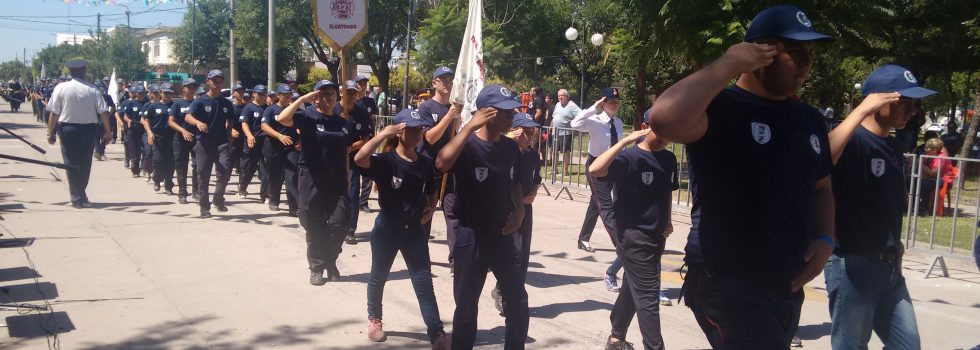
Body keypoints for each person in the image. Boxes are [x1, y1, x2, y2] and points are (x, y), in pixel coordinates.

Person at [651, 5, 835, 348]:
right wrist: (728, 63)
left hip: (785, 282)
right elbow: (662, 119)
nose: (806, 62)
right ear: (760, 53)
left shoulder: (808, 119)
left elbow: (821, 187)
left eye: (810, 53)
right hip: (727, 281)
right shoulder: (722, 106)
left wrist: (826, 240)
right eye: (794, 52)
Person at [827, 64, 933, 350]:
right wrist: (860, 111)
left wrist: (895, 244)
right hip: (852, 262)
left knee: (907, 345)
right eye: (904, 103)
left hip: (887, 265)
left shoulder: (895, 148)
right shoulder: (853, 140)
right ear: (877, 100)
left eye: (914, 105)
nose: (911, 112)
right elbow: (821, 160)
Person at [435, 84, 528, 349]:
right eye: (507, 113)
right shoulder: (467, 145)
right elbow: (441, 163)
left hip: (501, 235)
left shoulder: (510, 148)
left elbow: (515, 183)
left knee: (518, 301)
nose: (513, 118)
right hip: (470, 236)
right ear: (488, 113)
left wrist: (519, 209)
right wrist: (468, 128)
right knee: (466, 307)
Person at [353, 109, 451, 349]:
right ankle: (374, 320)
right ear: (399, 132)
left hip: (414, 232)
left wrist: (431, 207)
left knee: (423, 282)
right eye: (413, 129)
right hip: (387, 229)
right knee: (378, 277)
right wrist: (381, 134)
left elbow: (431, 190)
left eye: (421, 129)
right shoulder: (386, 161)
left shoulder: (425, 163)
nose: (419, 134)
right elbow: (359, 159)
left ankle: (436, 333)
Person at [590, 124, 677, 350]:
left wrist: (667, 220)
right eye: (662, 131)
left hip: (657, 235)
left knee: (632, 286)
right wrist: (624, 142)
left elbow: (666, 191)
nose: (666, 137)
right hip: (633, 236)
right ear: (645, 128)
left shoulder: (669, 158)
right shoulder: (628, 157)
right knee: (648, 298)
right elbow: (595, 169)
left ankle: (616, 338)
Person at [276, 80, 352, 285]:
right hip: (312, 177)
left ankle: (330, 259)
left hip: (336, 179)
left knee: (341, 222)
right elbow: (283, 119)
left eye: (333, 94)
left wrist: (347, 177)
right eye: (324, 94)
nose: (329, 98)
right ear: (316, 97)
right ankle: (317, 267)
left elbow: (345, 153)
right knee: (315, 223)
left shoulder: (342, 122)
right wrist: (302, 99)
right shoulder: (307, 116)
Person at [491, 113, 543, 317]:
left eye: (533, 133)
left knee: (522, 254)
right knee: (508, 254)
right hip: (508, 209)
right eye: (527, 133)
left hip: (526, 210)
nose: (531, 138)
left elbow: (536, 176)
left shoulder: (531, 154)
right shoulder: (505, 152)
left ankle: (510, 292)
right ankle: (505, 295)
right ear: (517, 131)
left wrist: (535, 191)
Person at [44, 60, 113, 208]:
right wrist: (107, 131)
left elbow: (54, 113)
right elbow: (103, 112)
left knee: (70, 163)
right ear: (84, 70)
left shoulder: (61, 88)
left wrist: (50, 132)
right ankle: (80, 194)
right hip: (87, 130)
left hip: (67, 130)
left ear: (70, 71)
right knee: (85, 163)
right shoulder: (92, 89)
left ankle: (77, 196)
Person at [571, 89, 624, 267]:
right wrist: (593, 108)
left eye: (617, 102)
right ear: (603, 103)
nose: (615, 105)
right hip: (596, 166)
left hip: (614, 164)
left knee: (597, 203)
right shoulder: (594, 120)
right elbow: (574, 124)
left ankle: (583, 238)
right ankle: (621, 244)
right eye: (611, 102)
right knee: (606, 206)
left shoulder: (619, 123)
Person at [183, 70, 238, 218]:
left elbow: (231, 120)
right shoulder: (200, 101)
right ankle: (204, 206)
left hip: (222, 143)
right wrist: (198, 122)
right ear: (208, 81)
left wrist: (229, 136)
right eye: (214, 80)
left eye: (220, 80)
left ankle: (218, 198)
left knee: (225, 171)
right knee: (203, 174)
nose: (217, 83)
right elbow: (188, 116)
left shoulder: (226, 103)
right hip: (204, 143)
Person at [342, 80, 375, 244]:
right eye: (349, 92)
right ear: (342, 93)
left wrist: (350, 148)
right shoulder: (333, 109)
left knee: (352, 194)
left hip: (351, 158)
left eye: (354, 93)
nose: (352, 96)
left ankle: (350, 230)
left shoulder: (361, 111)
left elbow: (365, 138)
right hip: (332, 159)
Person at [261, 84, 298, 214]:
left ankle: (294, 207)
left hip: (291, 148)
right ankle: (273, 200)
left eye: (290, 95)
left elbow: (299, 127)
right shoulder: (270, 110)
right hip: (274, 147)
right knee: (275, 175)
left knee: (292, 176)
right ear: (278, 96)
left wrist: (299, 140)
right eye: (285, 95)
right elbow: (264, 126)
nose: (288, 97)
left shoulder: (293, 110)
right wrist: (279, 135)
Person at [168, 78, 201, 204]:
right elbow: (170, 121)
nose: (192, 89)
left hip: (195, 138)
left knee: (197, 165)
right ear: (184, 89)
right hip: (180, 139)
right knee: (181, 166)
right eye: (189, 87)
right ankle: (182, 193)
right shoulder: (177, 104)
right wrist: (182, 131)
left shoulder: (198, 103)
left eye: (194, 87)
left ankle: (196, 191)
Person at [142, 84, 177, 194]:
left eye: (169, 93)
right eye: (165, 93)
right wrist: (149, 132)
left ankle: (168, 185)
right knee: (158, 160)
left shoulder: (175, 106)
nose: (167, 95)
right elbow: (147, 121)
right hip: (157, 137)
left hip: (172, 138)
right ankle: (157, 180)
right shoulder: (153, 106)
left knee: (171, 162)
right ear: (161, 93)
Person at [239, 84, 270, 201]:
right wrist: (249, 135)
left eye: (264, 94)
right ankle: (242, 187)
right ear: (254, 94)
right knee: (249, 167)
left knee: (265, 168)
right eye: (260, 94)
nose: (262, 96)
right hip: (252, 141)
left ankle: (264, 195)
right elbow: (244, 123)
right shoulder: (249, 108)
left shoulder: (267, 108)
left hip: (265, 142)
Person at [355, 75, 378, 212]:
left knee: (368, 173)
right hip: (355, 140)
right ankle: (353, 199)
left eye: (364, 83)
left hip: (368, 139)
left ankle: (363, 201)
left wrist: (374, 137)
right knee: (353, 174)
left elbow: (372, 119)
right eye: (360, 83)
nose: (362, 85)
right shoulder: (350, 102)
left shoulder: (370, 101)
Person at [550, 89, 581, 176]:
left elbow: (581, 115)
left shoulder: (572, 106)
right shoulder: (557, 104)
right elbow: (554, 117)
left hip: (566, 132)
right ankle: (554, 170)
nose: (560, 97)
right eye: (559, 95)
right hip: (555, 132)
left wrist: (574, 124)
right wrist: (552, 128)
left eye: (562, 96)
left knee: (566, 152)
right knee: (554, 151)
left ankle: (565, 171)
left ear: (567, 97)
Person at [121, 85, 148, 178]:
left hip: (143, 129)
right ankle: (135, 170)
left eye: (143, 93)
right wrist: (128, 121)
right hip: (132, 129)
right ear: (135, 93)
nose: (141, 95)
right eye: (139, 93)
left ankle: (144, 167)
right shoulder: (131, 103)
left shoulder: (147, 103)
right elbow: (125, 115)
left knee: (145, 149)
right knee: (134, 151)